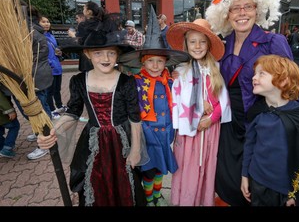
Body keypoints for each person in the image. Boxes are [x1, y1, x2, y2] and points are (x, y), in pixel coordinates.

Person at [204, 0, 299, 206]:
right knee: (227, 185)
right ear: (227, 13)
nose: (242, 13)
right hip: (228, 128)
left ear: (258, 9)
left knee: (257, 190)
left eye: (248, 6)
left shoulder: (274, 41)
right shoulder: (222, 46)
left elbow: (296, 88)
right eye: (235, 7)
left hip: (262, 129)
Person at [37, 30, 149, 206]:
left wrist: (135, 150)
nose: (105, 58)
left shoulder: (126, 82)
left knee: (125, 182)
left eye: (111, 52)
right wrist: (53, 131)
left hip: (121, 142)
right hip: (93, 141)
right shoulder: (79, 81)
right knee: (95, 180)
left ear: (117, 54)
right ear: (87, 54)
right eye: (98, 53)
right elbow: (73, 113)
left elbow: (135, 118)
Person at [241, 55, 299, 206]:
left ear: (283, 80)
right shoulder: (257, 111)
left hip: (286, 190)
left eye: (261, 73)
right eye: (255, 73)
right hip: (257, 181)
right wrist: (244, 175)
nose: (254, 77)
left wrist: (296, 193)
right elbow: (249, 145)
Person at [118, 15, 190, 206]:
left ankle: (157, 196)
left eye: (160, 61)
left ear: (165, 62)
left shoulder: (170, 81)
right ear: (143, 63)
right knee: (148, 172)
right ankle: (149, 199)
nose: (155, 66)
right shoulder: (136, 82)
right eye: (151, 61)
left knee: (160, 170)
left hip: (166, 134)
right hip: (147, 136)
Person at [165, 19, 231, 206]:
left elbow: (223, 100)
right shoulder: (181, 70)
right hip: (189, 131)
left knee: (207, 166)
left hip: (209, 129)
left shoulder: (216, 69)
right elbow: (176, 99)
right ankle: (186, 201)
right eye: (193, 41)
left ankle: (203, 200)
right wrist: (199, 104)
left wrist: (211, 118)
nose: (198, 46)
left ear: (209, 44)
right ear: (186, 44)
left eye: (202, 41)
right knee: (188, 167)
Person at [19, 1, 53, 160]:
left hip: (36, 76)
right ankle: (39, 131)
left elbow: (38, 55)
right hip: (37, 75)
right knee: (39, 107)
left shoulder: (29, 31)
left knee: (38, 109)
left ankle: (45, 139)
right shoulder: (29, 29)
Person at [39, 16, 67, 120]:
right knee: (49, 91)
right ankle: (52, 110)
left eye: (48, 21)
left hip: (57, 67)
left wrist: (59, 53)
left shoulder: (51, 36)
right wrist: (50, 62)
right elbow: (41, 55)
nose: (46, 24)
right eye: (43, 22)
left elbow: (54, 50)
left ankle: (59, 106)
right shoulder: (39, 37)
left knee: (57, 89)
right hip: (48, 68)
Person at [75, 1, 117, 72]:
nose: (83, 10)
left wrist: (73, 35)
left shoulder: (83, 25)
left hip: (88, 60)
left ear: (89, 12)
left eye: (84, 8)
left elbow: (81, 43)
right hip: (102, 60)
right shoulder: (104, 24)